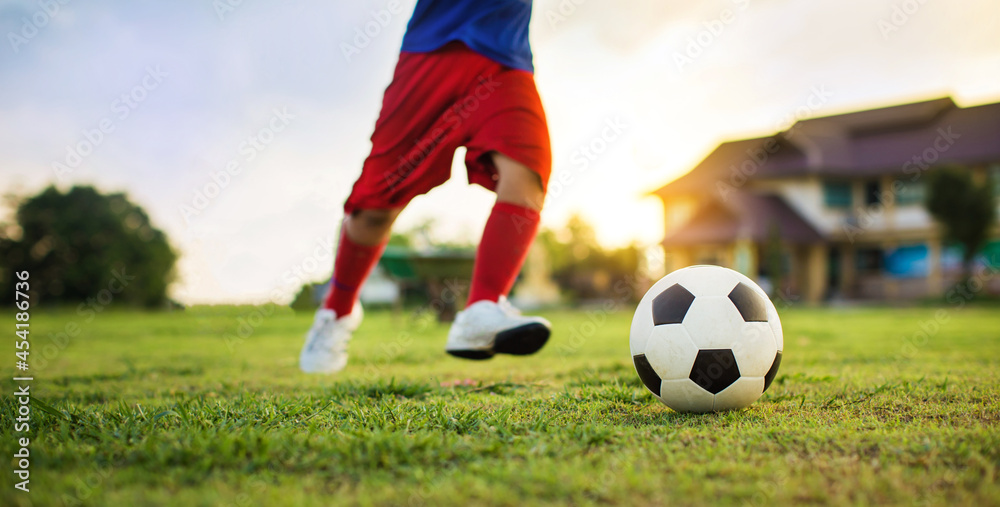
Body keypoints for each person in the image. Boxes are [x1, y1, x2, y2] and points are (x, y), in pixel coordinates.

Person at [300, 0, 552, 374]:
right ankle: (336, 311)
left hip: (506, 60)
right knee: (373, 208)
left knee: (529, 169)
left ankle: (482, 308)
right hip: (432, 51)